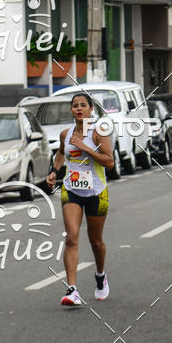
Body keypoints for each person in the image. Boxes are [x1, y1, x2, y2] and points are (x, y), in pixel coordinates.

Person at [46, 92, 114, 306]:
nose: (79, 108)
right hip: (71, 189)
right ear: (71, 110)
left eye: (83, 105)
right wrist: (54, 171)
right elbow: (60, 154)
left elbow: (109, 162)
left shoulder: (98, 133)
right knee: (72, 237)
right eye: (75, 105)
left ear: (91, 109)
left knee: (95, 240)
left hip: (96, 192)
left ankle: (100, 275)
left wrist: (85, 147)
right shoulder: (66, 134)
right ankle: (72, 289)